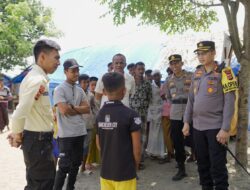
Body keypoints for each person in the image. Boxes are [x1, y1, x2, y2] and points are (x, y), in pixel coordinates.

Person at [8, 39, 61, 190]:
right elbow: (19, 113)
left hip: (38, 141)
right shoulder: (37, 80)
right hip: (38, 142)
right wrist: (17, 134)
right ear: (43, 57)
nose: (58, 62)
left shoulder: (36, 77)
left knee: (36, 184)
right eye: (56, 57)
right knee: (42, 184)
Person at [183, 41, 236, 190]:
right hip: (198, 127)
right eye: (198, 53)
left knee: (217, 166)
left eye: (204, 53)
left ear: (213, 53)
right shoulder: (197, 73)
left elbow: (230, 102)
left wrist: (225, 128)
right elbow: (191, 100)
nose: (201, 56)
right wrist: (186, 121)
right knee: (202, 165)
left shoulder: (226, 72)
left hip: (215, 128)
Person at [96, 72, 141, 190]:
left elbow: (98, 143)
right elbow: (137, 147)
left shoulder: (100, 114)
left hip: (106, 171)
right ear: (124, 90)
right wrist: (135, 165)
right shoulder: (131, 115)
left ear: (104, 91)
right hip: (125, 172)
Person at [53, 59, 90, 190]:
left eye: (78, 70)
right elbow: (64, 110)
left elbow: (87, 109)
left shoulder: (80, 90)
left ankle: (70, 187)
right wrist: (77, 108)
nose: (76, 73)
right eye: (73, 70)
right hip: (66, 135)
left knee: (76, 164)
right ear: (65, 72)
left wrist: (72, 107)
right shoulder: (59, 89)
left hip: (80, 132)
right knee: (64, 166)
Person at [163, 54, 193, 181]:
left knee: (196, 139)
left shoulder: (191, 76)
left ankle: (203, 164)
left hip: (190, 111)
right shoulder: (168, 80)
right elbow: (169, 97)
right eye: (172, 63)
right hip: (175, 113)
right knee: (177, 141)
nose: (174, 65)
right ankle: (181, 168)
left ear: (182, 63)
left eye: (177, 63)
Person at [129, 62, 152, 169]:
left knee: (142, 137)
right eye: (139, 69)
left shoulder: (147, 83)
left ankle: (139, 160)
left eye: (143, 69)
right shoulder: (129, 81)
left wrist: (144, 108)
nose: (141, 71)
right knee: (129, 137)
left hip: (142, 115)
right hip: (130, 115)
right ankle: (130, 159)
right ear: (135, 69)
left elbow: (149, 98)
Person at [146, 70, 165, 162]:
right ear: (153, 77)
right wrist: (150, 113)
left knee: (161, 133)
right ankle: (152, 152)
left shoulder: (163, 85)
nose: (157, 77)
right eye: (155, 76)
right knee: (153, 133)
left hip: (163, 111)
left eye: (158, 75)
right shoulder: (151, 87)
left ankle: (161, 153)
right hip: (153, 112)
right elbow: (149, 101)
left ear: (161, 76)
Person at [78, 74, 95, 174]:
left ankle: (83, 167)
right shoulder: (76, 94)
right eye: (84, 82)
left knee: (86, 146)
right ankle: (76, 166)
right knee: (78, 146)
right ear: (79, 83)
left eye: (87, 82)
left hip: (89, 123)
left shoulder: (91, 95)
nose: (86, 84)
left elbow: (92, 107)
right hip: (79, 125)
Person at [160, 67, 174, 163]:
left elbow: (162, 95)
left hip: (173, 112)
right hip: (169, 112)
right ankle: (170, 152)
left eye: (170, 72)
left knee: (171, 134)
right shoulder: (166, 83)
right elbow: (162, 95)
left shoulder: (167, 82)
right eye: (168, 72)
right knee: (169, 134)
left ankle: (171, 153)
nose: (169, 74)